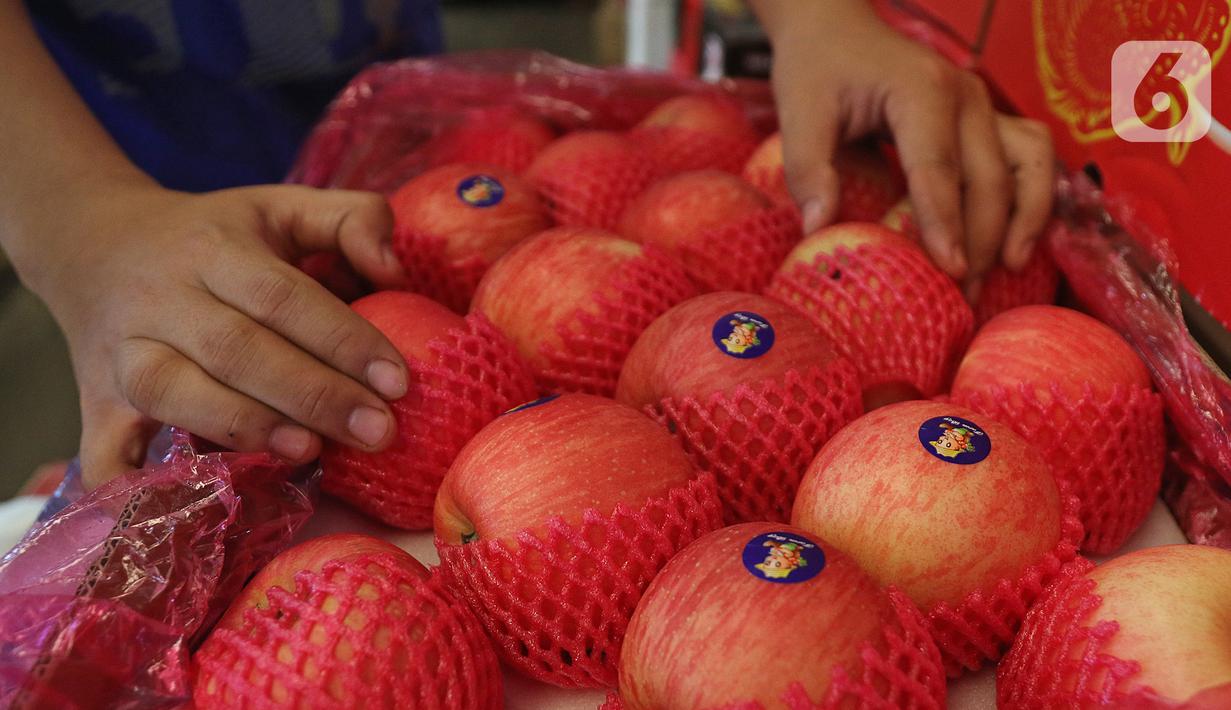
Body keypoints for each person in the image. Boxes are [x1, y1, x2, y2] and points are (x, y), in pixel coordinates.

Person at [0, 0, 1054, 488]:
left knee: (375, 244)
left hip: (363, 92)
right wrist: (80, 223)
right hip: (95, 131)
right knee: (206, 366)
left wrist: (813, 14)